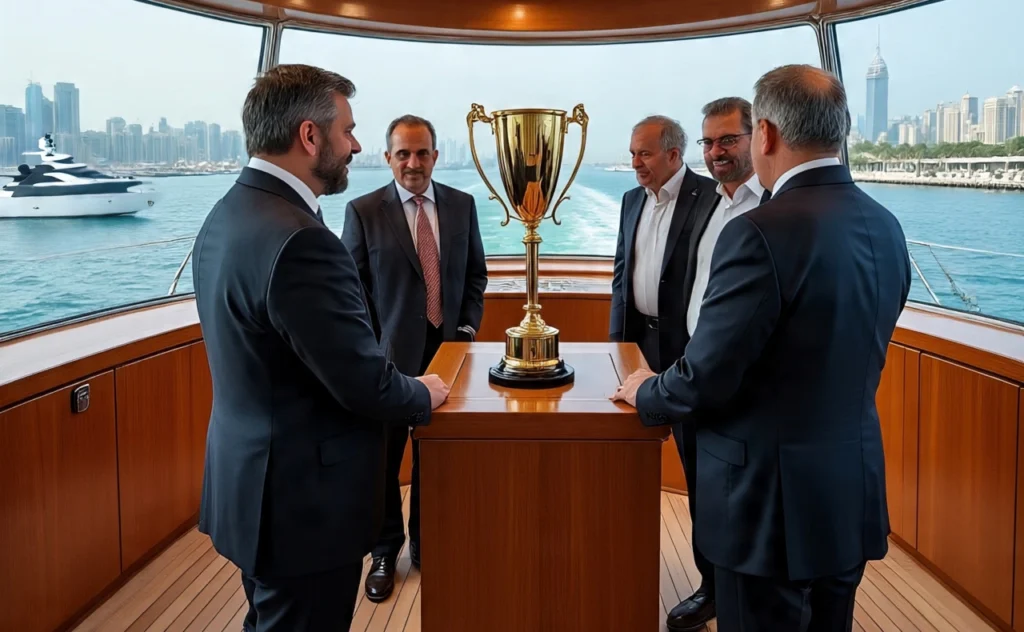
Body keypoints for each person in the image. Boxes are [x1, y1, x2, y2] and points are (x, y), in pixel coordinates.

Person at [613, 64, 911, 631]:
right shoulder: (886, 225)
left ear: (766, 134)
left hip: (768, 509)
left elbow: (708, 373)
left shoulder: (759, 231)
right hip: (848, 492)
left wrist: (647, 391)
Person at [191, 64, 450, 631]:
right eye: (347, 130)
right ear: (310, 136)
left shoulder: (227, 213)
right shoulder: (304, 241)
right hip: (300, 507)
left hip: (249, 486)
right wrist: (422, 392)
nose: (355, 145)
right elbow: (364, 382)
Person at [342, 114, 487, 602]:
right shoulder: (364, 211)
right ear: (387, 158)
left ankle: (428, 542)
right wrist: (373, 347)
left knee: (436, 455)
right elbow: (351, 290)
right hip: (387, 362)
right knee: (384, 460)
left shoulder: (462, 206)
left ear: (435, 156)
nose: (413, 162)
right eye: (403, 153)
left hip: (449, 355)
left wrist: (466, 332)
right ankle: (385, 551)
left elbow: (476, 276)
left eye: (422, 152)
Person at [608, 114, 720, 630]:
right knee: (626, 460)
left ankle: (713, 585)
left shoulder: (711, 198)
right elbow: (621, 277)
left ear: (674, 154)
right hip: (637, 348)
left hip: (689, 353)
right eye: (633, 153)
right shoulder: (631, 200)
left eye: (645, 153)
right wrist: (617, 349)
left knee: (700, 474)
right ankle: (625, 568)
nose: (635, 163)